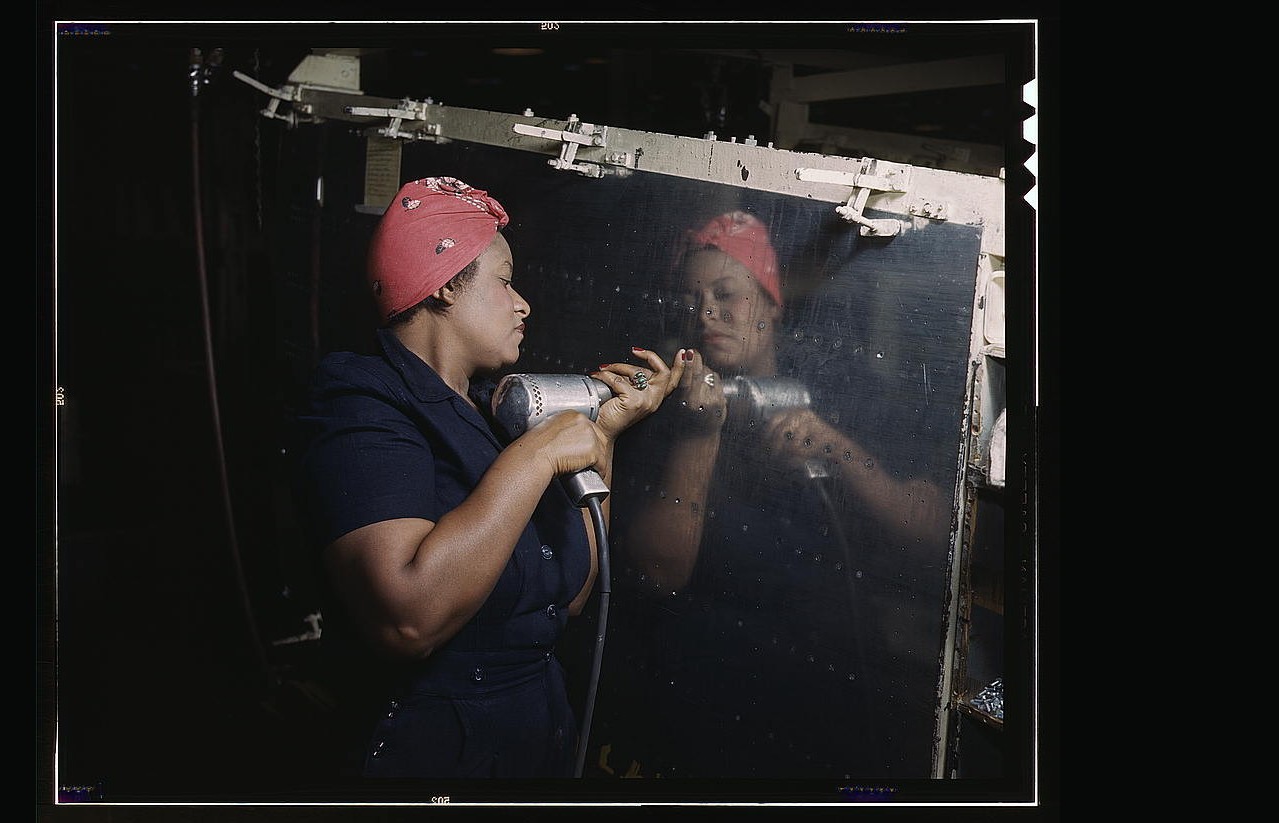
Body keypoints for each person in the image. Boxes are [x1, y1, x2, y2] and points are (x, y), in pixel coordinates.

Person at [292, 176, 686, 779]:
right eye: (504, 281)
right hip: (430, 753)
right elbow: (408, 619)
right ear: (447, 285)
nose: (523, 302)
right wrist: (534, 458)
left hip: (532, 732)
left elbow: (573, 597)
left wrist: (601, 435)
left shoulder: (488, 412)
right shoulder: (362, 402)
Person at [605, 210, 947, 778]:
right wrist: (699, 432)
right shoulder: (657, 405)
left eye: (727, 293)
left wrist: (837, 450)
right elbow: (656, 573)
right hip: (703, 690)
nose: (707, 311)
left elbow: (934, 535)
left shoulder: (841, 383)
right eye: (690, 298)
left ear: (770, 303)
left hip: (829, 682)